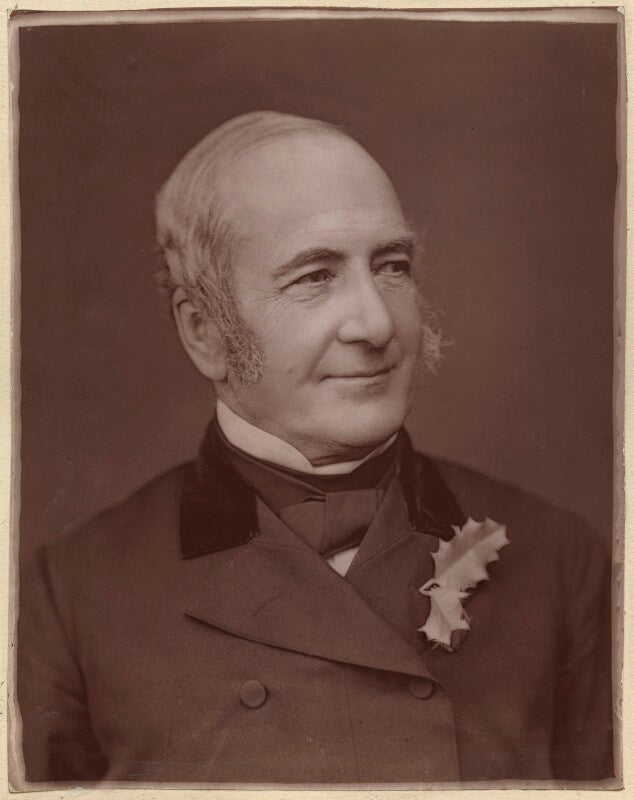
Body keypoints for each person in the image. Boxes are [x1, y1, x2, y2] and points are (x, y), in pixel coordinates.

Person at [17, 111, 613, 784]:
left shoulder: (560, 561)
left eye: (392, 266)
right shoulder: (70, 595)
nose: (376, 323)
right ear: (204, 331)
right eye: (314, 276)